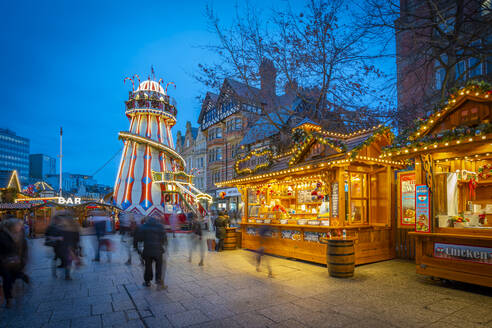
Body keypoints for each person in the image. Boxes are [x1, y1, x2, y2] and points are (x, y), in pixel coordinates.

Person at [0, 218, 29, 308]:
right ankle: (8, 299)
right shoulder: (3, 235)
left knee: (14, 276)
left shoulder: (21, 235)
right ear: (12, 226)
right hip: (4, 262)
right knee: (7, 279)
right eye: (18, 225)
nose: (21, 227)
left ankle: (20, 283)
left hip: (17, 261)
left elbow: (24, 248)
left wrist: (22, 259)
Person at [133, 216, 168, 289]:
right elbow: (164, 238)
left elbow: (138, 238)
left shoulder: (143, 227)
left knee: (148, 266)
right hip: (158, 250)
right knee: (159, 266)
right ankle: (158, 282)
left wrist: (137, 248)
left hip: (147, 250)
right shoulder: (160, 226)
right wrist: (164, 247)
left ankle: (147, 282)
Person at [59, 213, 81, 280]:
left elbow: (61, 237)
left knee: (67, 260)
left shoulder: (63, 227)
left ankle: (67, 274)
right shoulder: (75, 228)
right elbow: (77, 238)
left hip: (65, 246)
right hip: (72, 246)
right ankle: (67, 274)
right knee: (69, 261)